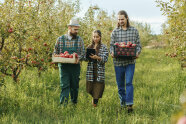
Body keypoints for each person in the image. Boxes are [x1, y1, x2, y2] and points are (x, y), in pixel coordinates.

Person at [110, 10, 142, 113]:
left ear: (126, 18)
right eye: (119, 19)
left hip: (130, 62)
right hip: (118, 62)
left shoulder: (134, 31)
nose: (120, 21)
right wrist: (112, 52)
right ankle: (122, 103)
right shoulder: (115, 32)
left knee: (128, 82)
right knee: (120, 85)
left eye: (122, 19)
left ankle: (129, 105)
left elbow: (138, 45)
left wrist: (137, 52)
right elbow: (112, 46)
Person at [54, 18, 85, 105]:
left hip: (75, 67)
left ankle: (74, 103)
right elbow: (55, 53)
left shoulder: (79, 40)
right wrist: (58, 57)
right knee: (64, 85)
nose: (76, 31)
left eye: (77, 30)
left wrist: (79, 58)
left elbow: (83, 53)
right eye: (75, 29)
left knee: (75, 87)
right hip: (64, 67)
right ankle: (63, 105)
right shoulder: (60, 39)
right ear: (69, 28)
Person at [86, 30, 109, 107]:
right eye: (94, 37)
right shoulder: (89, 47)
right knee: (90, 88)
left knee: (98, 87)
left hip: (99, 70)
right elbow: (85, 58)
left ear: (100, 37)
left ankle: (95, 104)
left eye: (97, 37)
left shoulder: (104, 47)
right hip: (91, 70)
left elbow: (105, 59)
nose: (95, 38)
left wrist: (98, 58)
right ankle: (94, 100)